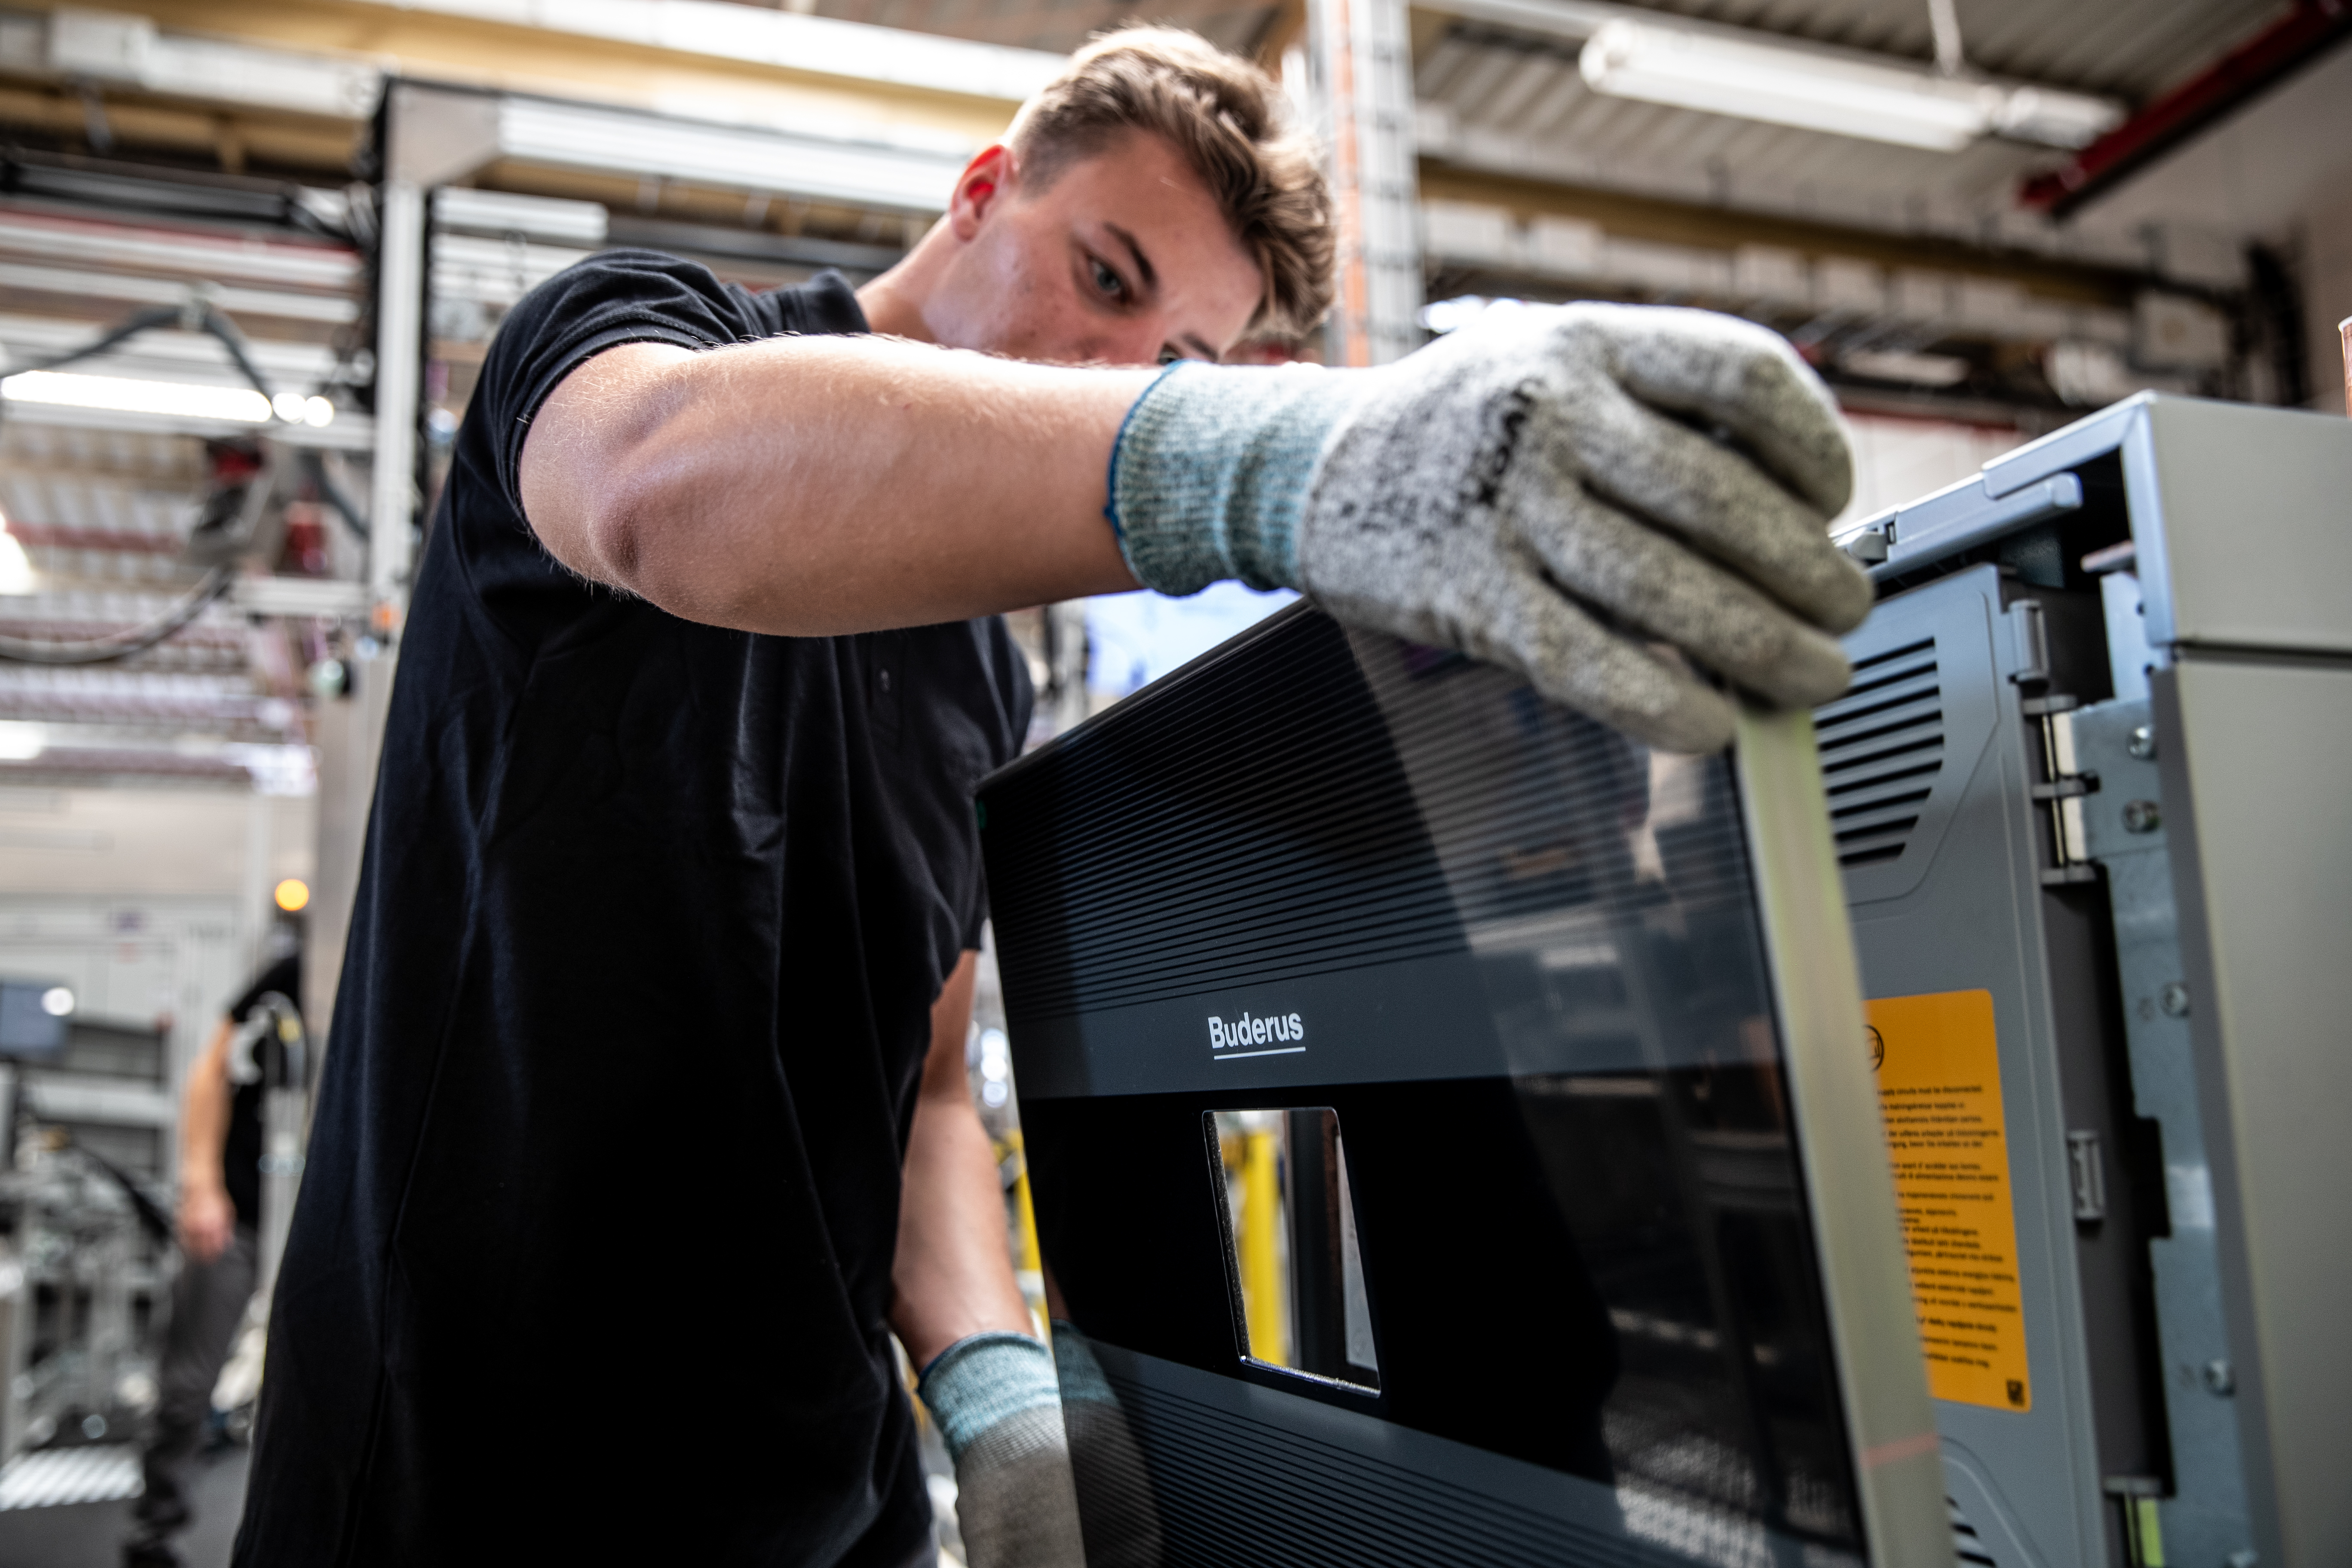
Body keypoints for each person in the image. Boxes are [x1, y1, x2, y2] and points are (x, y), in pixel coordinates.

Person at [232, 25, 1871, 1567]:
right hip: (464, 1471)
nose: (1106, 367)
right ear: (978, 188)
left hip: (817, 1499)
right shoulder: (648, 339)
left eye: (1173, 360)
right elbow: (657, 485)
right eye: (1103, 275)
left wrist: (994, 1383)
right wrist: (1267, 456)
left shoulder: (982, 681)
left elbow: (929, 1091)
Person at [127, 939, 297, 1568]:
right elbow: (211, 1069)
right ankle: (156, 1529)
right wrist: (201, 1183)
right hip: (239, 1213)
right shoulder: (295, 973)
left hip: (316, 1225)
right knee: (189, 1384)